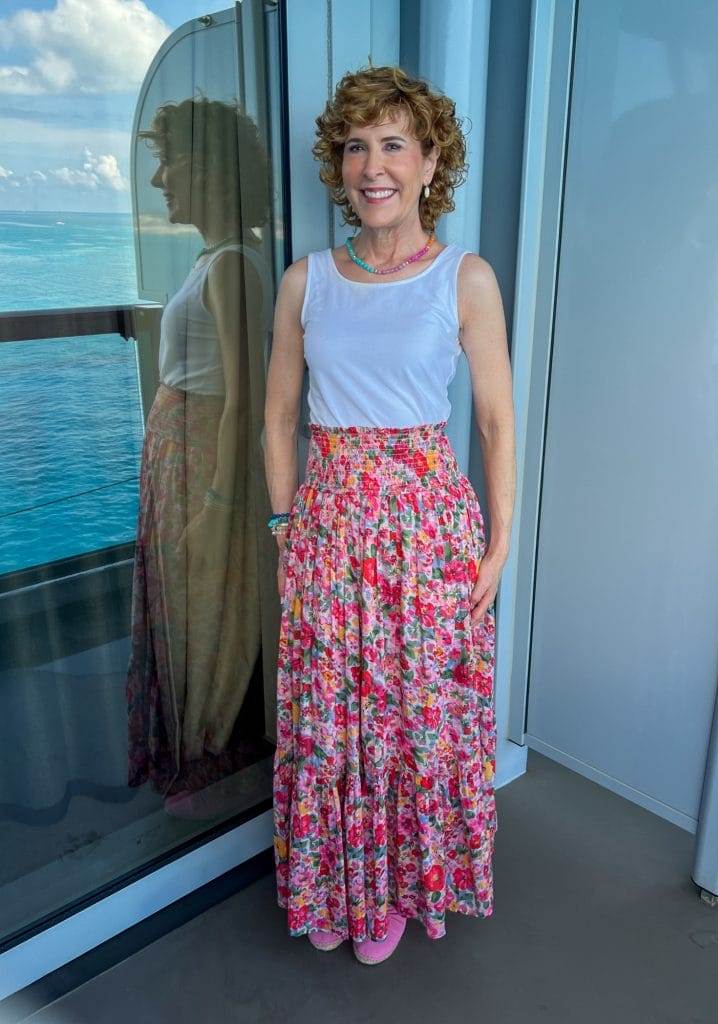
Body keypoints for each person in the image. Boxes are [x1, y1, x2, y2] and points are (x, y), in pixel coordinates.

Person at [265, 65, 516, 965]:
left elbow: (494, 419)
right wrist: (286, 529)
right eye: (356, 146)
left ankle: (399, 894)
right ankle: (336, 883)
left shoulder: (464, 278)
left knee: (413, 716)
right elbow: (278, 417)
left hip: (426, 533)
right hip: (329, 525)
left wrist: (499, 543)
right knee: (329, 717)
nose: (372, 165)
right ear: (341, 163)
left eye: (393, 144)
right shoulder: (307, 282)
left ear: (429, 159)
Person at [126, 96, 274, 818]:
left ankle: (211, 753)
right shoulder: (212, 260)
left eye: (169, 161)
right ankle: (194, 745)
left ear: (209, 169)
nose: (159, 181)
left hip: (202, 470)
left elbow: (245, 401)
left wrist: (218, 507)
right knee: (183, 605)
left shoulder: (233, 268)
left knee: (204, 608)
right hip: (181, 462)